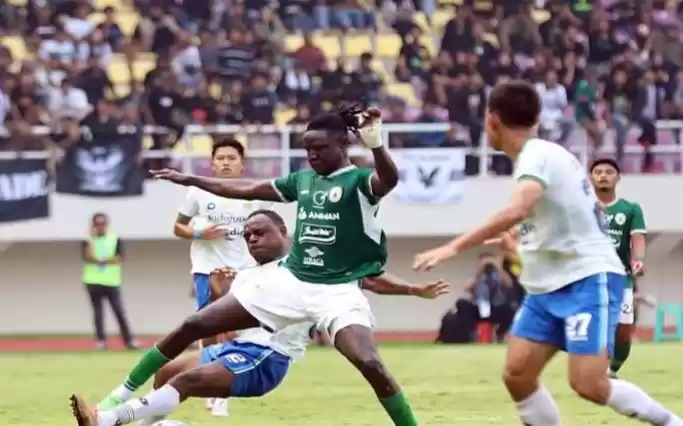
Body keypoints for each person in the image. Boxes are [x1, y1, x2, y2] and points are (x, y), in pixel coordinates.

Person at [73, 105, 422, 426]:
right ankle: (115, 401)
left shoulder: (358, 181)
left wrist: (376, 144)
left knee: (369, 362)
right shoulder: (303, 181)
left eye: (320, 148)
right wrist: (194, 180)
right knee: (194, 324)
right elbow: (246, 189)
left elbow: (388, 180)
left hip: (336, 292)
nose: (312, 155)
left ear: (343, 144)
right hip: (292, 282)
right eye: (307, 149)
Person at [412, 80, 683, 426]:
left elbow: (518, 210)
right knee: (518, 374)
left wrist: (452, 247)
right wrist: (521, 243)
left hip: (587, 280)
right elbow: (567, 218)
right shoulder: (546, 156)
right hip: (547, 288)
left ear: (492, 119)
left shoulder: (536, 156)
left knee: (589, 384)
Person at [79, 209, 449, 426]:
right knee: (167, 373)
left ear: (284, 232)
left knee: (186, 380)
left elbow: (369, 278)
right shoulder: (248, 276)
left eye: (260, 232)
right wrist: (221, 296)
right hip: (234, 349)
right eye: (247, 236)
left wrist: (413, 290)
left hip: (266, 358)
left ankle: (109, 418)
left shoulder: (310, 265)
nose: (252, 239)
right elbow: (227, 326)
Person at [173, 138, 271, 415]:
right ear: (212, 163)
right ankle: (209, 386)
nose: (226, 163)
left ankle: (225, 386)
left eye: (231, 158)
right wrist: (199, 232)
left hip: (245, 270)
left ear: (242, 163)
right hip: (208, 269)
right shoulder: (198, 192)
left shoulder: (256, 193)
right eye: (221, 158)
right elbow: (178, 227)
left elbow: (272, 231)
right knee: (206, 327)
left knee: (235, 329)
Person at [589, 158, 646, 378]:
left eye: (609, 172)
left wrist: (638, 260)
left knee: (623, 334)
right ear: (591, 178)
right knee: (593, 328)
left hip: (621, 278)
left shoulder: (630, 209)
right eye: (598, 172)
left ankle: (613, 369)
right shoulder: (582, 207)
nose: (603, 175)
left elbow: (637, 239)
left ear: (618, 178)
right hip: (588, 277)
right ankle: (593, 370)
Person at [81, 212, 136, 350]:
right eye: (97, 224)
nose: (101, 227)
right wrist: (91, 240)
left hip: (112, 281)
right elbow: (88, 257)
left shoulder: (115, 239)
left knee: (119, 311)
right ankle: (101, 341)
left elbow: (119, 258)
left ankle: (129, 341)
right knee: (98, 313)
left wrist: (101, 260)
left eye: (103, 224)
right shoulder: (88, 240)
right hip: (93, 281)